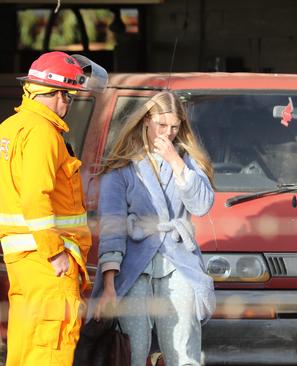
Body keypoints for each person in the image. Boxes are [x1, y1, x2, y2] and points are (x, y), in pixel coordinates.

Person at [0, 51, 107, 366]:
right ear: (55, 94)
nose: (68, 104)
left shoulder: (9, 128)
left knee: (26, 346)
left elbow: (7, 197)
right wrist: (55, 253)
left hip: (24, 263)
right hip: (47, 263)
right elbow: (34, 196)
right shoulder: (42, 132)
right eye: (68, 96)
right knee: (51, 346)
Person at [91, 91, 216, 366]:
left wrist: (175, 162)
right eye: (162, 125)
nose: (169, 133)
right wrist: (110, 284)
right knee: (132, 349)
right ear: (147, 120)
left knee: (184, 346)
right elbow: (112, 225)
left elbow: (202, 205)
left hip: (177, 261)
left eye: (175, 127)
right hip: (134, 264)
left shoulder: (187, 160)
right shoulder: (122, 165)